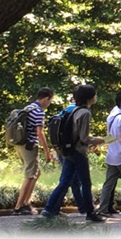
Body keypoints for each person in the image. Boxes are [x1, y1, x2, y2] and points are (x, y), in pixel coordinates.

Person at [42, 84, 109, 222]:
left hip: (68, 150)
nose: (96, 97)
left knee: (64, 181)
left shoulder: (72, 110)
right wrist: (102, 140)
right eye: (95, 94)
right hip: (78, 151)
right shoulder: (85, 113)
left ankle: (48, 209)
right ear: (89, 98)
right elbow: (84, 138)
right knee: (85, 182)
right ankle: (90, 212)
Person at [13, 87, 54, 215]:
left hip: (20, 144)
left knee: (36, 173)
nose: (49, 104)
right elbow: (40, 133)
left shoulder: (28, 107)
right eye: (50, 101)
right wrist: (47, 151)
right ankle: (19, 206)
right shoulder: (39, 111)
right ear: (46, 98)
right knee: (30, 175)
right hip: (30, 146)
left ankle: (26, 202)